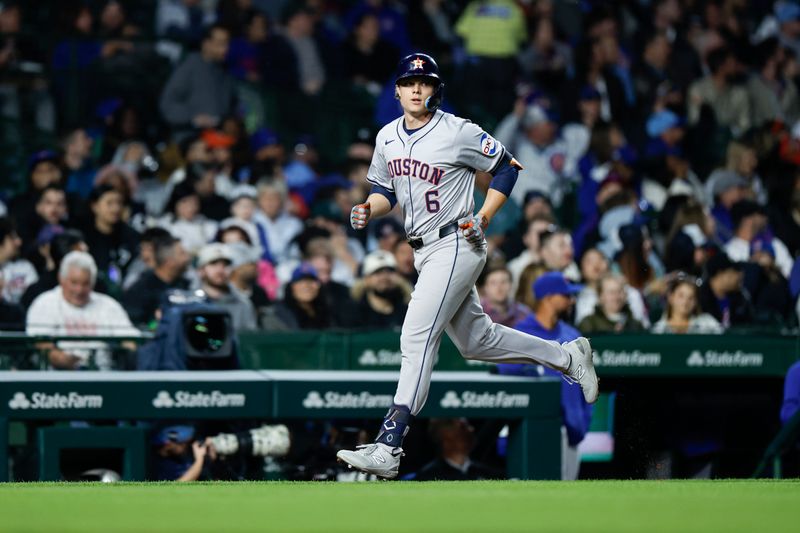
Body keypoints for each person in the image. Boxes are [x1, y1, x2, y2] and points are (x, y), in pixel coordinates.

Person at [336, 53, 598, 479]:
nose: (416, 88)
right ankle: (568, 358)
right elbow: (386, 189)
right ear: (398, 89)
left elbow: (508, 169)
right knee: (477, 342)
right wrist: (369, 206)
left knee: (416, 336)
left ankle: (389, 443)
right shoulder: (386, 137)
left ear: (435, 89)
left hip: (457, 242)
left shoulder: (457, 130)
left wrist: (485, 215)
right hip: (423, 250)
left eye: (424, 82)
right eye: (409, 82)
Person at [497, 272, 593, 480]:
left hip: (569, 431)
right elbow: (505, 376)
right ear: (549, 298)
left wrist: (582, 420)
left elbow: (588, 381)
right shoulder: (521, 334)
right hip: (533, 430)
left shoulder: (573, 335)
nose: (571, 300)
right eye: (566, 295)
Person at [26, 251, 139, 370]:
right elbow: (41, 343)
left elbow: (131, 339)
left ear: (93, 283)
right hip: (57, 378)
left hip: (102, 375)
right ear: (61, 279)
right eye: (74, 283)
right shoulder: (45, 303)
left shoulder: (108, 305)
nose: (79, 290)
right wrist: (67, 361)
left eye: (85, 284)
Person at [122, 233, 191, 328]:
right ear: (169, 262)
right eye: (182, 253)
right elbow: (135, 326)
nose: (188, 258)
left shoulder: (184, 285)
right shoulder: (139, 291)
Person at [408, 418, 502, 481]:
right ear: (445, 435)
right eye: (462, 427)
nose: (471, 430)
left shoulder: (488, 474)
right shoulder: (428, 476)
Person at [196, 243, 257, 332]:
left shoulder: (243, 304)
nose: (220, 270)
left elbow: (250, 341)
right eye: (213, 264)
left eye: (226, 264)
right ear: (201, 270)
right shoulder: (192, 303)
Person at [350, 250, 411, 329]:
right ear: (367, 279)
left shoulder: (407, 311)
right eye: (378, 272)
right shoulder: (355, 313)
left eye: (390, 271)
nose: (384, 277)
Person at [652, 275, 723, 334]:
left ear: (696, 301)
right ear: (671, 297)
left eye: (691, 297)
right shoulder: (659, 329)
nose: (686, 301)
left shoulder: (707, 323)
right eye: (681, 296)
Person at [578, 274, 646, 333]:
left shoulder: (636, 325)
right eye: (611, 292)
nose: (616, 297)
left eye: (619, 291)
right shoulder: (589, 324)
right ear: (600, 296)